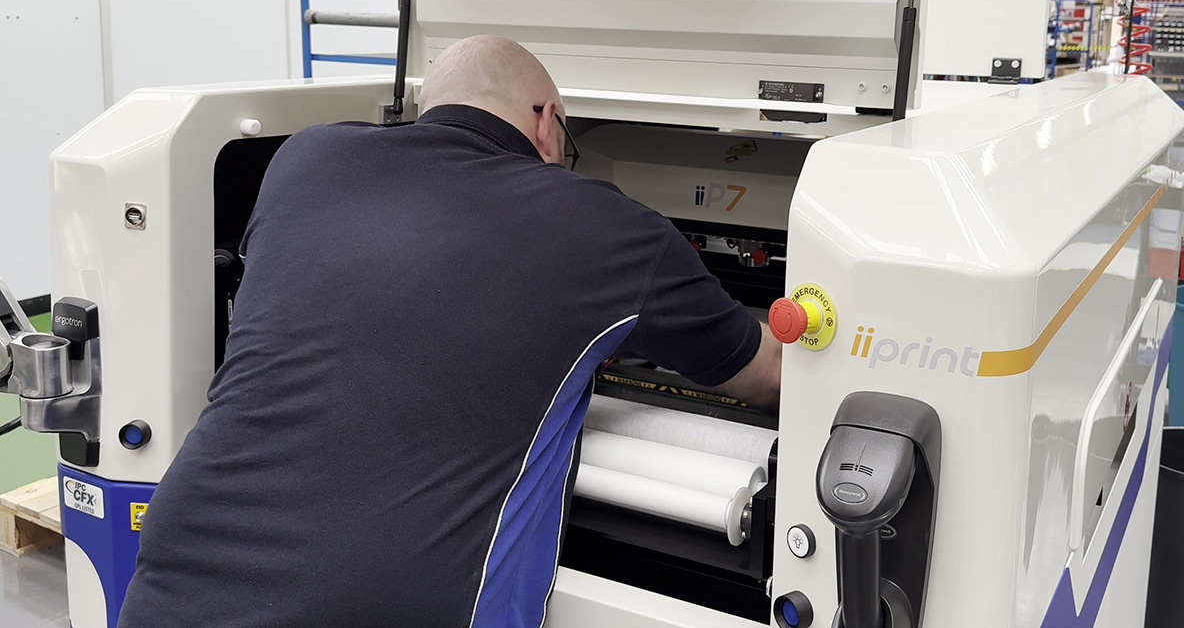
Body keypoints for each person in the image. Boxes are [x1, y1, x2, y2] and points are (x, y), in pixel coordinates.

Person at [118, 35, 780, 628]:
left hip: (182, 569)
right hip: (380, 601)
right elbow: (765, 376)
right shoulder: (607, 226)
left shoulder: (304, 158)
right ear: (549, 121)